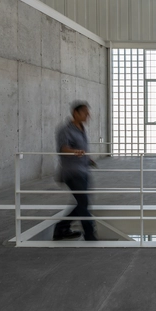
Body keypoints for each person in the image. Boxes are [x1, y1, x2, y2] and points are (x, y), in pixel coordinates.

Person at [53, 100, 98, 241]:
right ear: (75, 113)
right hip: (72, 172)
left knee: (82, 203)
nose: (88, 116)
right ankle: (90, 234)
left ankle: (61, 228)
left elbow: (80, 149)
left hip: (83, 170)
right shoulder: (65, 129)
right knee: (83, 203)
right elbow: (62, 148)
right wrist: (75, 151)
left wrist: (87, 159)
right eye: (85, 113)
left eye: (88, 113)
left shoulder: (81, 129)